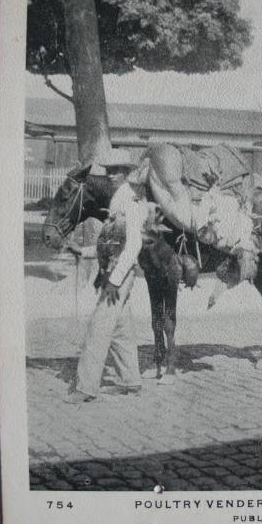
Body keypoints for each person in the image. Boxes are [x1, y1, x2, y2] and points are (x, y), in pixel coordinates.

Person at [65, 148, 154, 404]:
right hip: (112, 271)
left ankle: (86, 388)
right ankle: (131, 381)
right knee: (120, 329)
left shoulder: (131, 203)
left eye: (118, 171)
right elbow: (110, 245)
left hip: (118, 276)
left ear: (127, 173)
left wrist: (115, 280)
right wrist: (82, 250)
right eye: (110, 171)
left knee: (98, 326)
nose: (113, 175)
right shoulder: (117, 201)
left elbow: (133, 246)